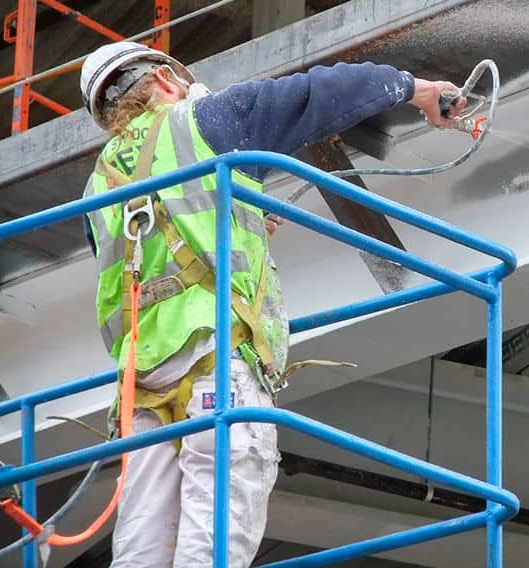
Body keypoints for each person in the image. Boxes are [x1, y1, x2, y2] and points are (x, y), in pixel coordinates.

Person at [79, 41, 464, 567]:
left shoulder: (97, 185)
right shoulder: (202, 119)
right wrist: (418, 90)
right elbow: (317, 93)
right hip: (217, 365)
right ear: (165, 80)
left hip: (141, 391)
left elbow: (154, 260)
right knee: (216, 533)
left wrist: (246, 222)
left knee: (141, 547)